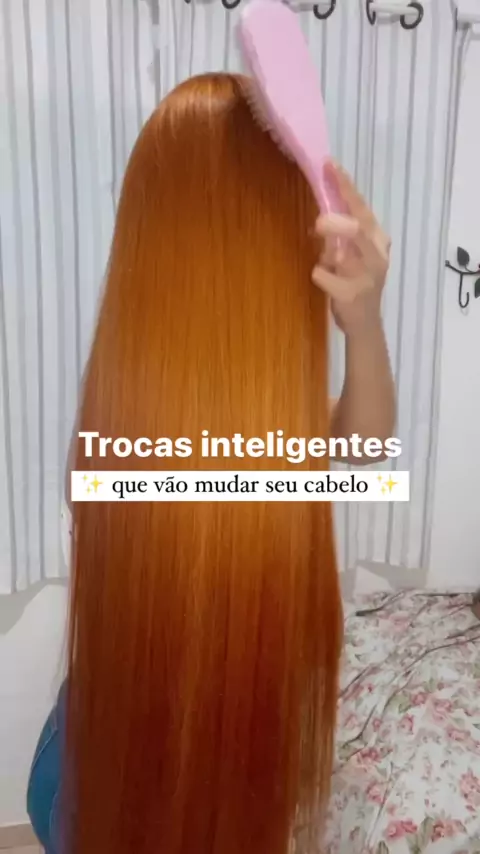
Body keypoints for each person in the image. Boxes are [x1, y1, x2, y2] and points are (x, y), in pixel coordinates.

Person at [26, 72, 394, 854]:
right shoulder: (132, 427)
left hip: (84, 776)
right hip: (100, 778)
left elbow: (364, 450)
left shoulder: (154, 422)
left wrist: (364, 323)